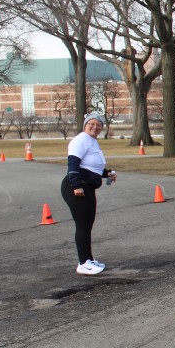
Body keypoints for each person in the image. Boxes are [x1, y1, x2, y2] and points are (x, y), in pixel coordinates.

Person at [61, 112, 117, 275]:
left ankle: (88, 260)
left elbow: (92, 167)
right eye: (91, 124)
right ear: (85, 125)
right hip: (77, 187)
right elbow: (73, 164)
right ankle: (83, 263)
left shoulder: (92, 141)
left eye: (98, 125)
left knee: (87, 224)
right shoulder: (81, 140)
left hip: (87, 187)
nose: (95, 127)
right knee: (83, 225)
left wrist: (107, 174)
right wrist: (76, 186)